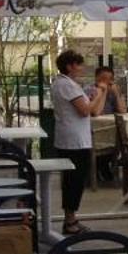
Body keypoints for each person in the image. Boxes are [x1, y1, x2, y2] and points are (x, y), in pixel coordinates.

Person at [50, 49, 115, 234]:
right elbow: (85, 110)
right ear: (70, 66)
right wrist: (99, 94)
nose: (81, 68)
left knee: (76, 182)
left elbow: (95, 111)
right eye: (78, 64)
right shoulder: (66, 85)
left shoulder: (69, 84)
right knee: (73, 181)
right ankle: (69, 222)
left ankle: (71, 219)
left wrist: (101, 92)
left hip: (77, 139)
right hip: (73, 142)